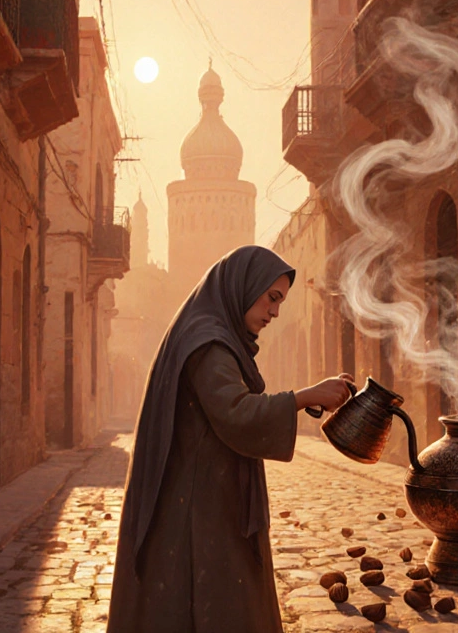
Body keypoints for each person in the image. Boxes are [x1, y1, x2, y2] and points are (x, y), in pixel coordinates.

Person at [107, 245, 353, 633]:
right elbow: (236, 413)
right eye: (271, 298)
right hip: (198, 512)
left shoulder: (208, 333)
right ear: (244, 286)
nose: (274, 312)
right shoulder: (209, 344)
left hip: (208, 499)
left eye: (280, 302)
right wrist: (305, 397)